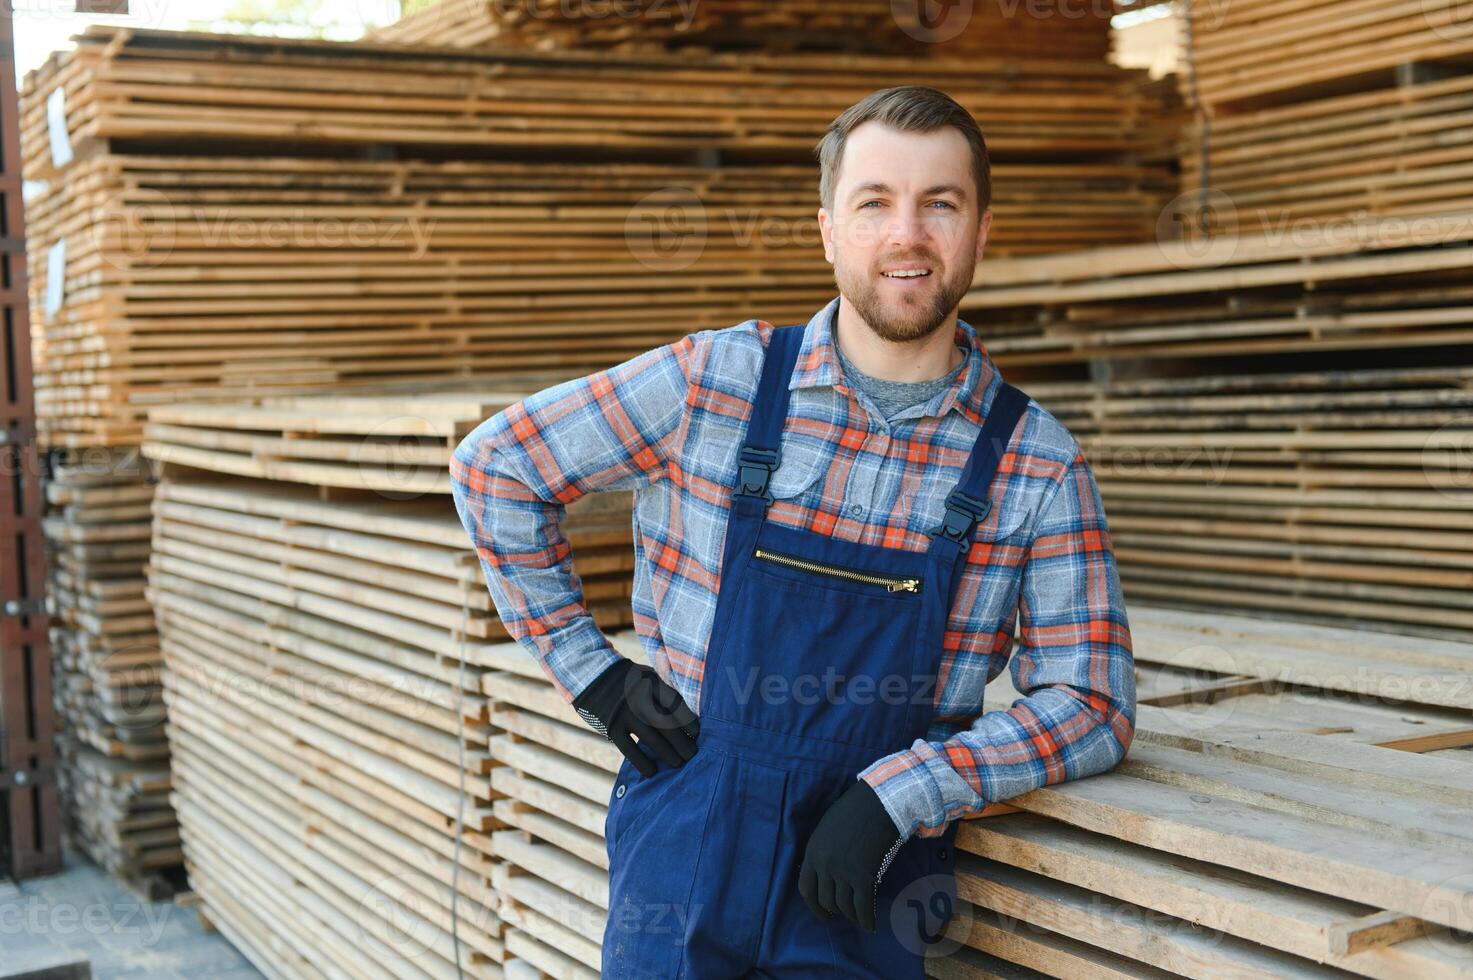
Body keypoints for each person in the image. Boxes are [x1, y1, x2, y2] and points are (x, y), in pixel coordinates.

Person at [449, 85, 1136, 979]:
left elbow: (1092, 702)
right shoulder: (717, 381)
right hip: (687, 837)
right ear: (827, 230)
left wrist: (906, 792)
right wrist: (595, 677)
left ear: (980, 229)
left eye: (940, 204)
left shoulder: (1033, 464)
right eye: (874, 202)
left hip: (866, 870)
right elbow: (495, 467)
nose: (907, 235)